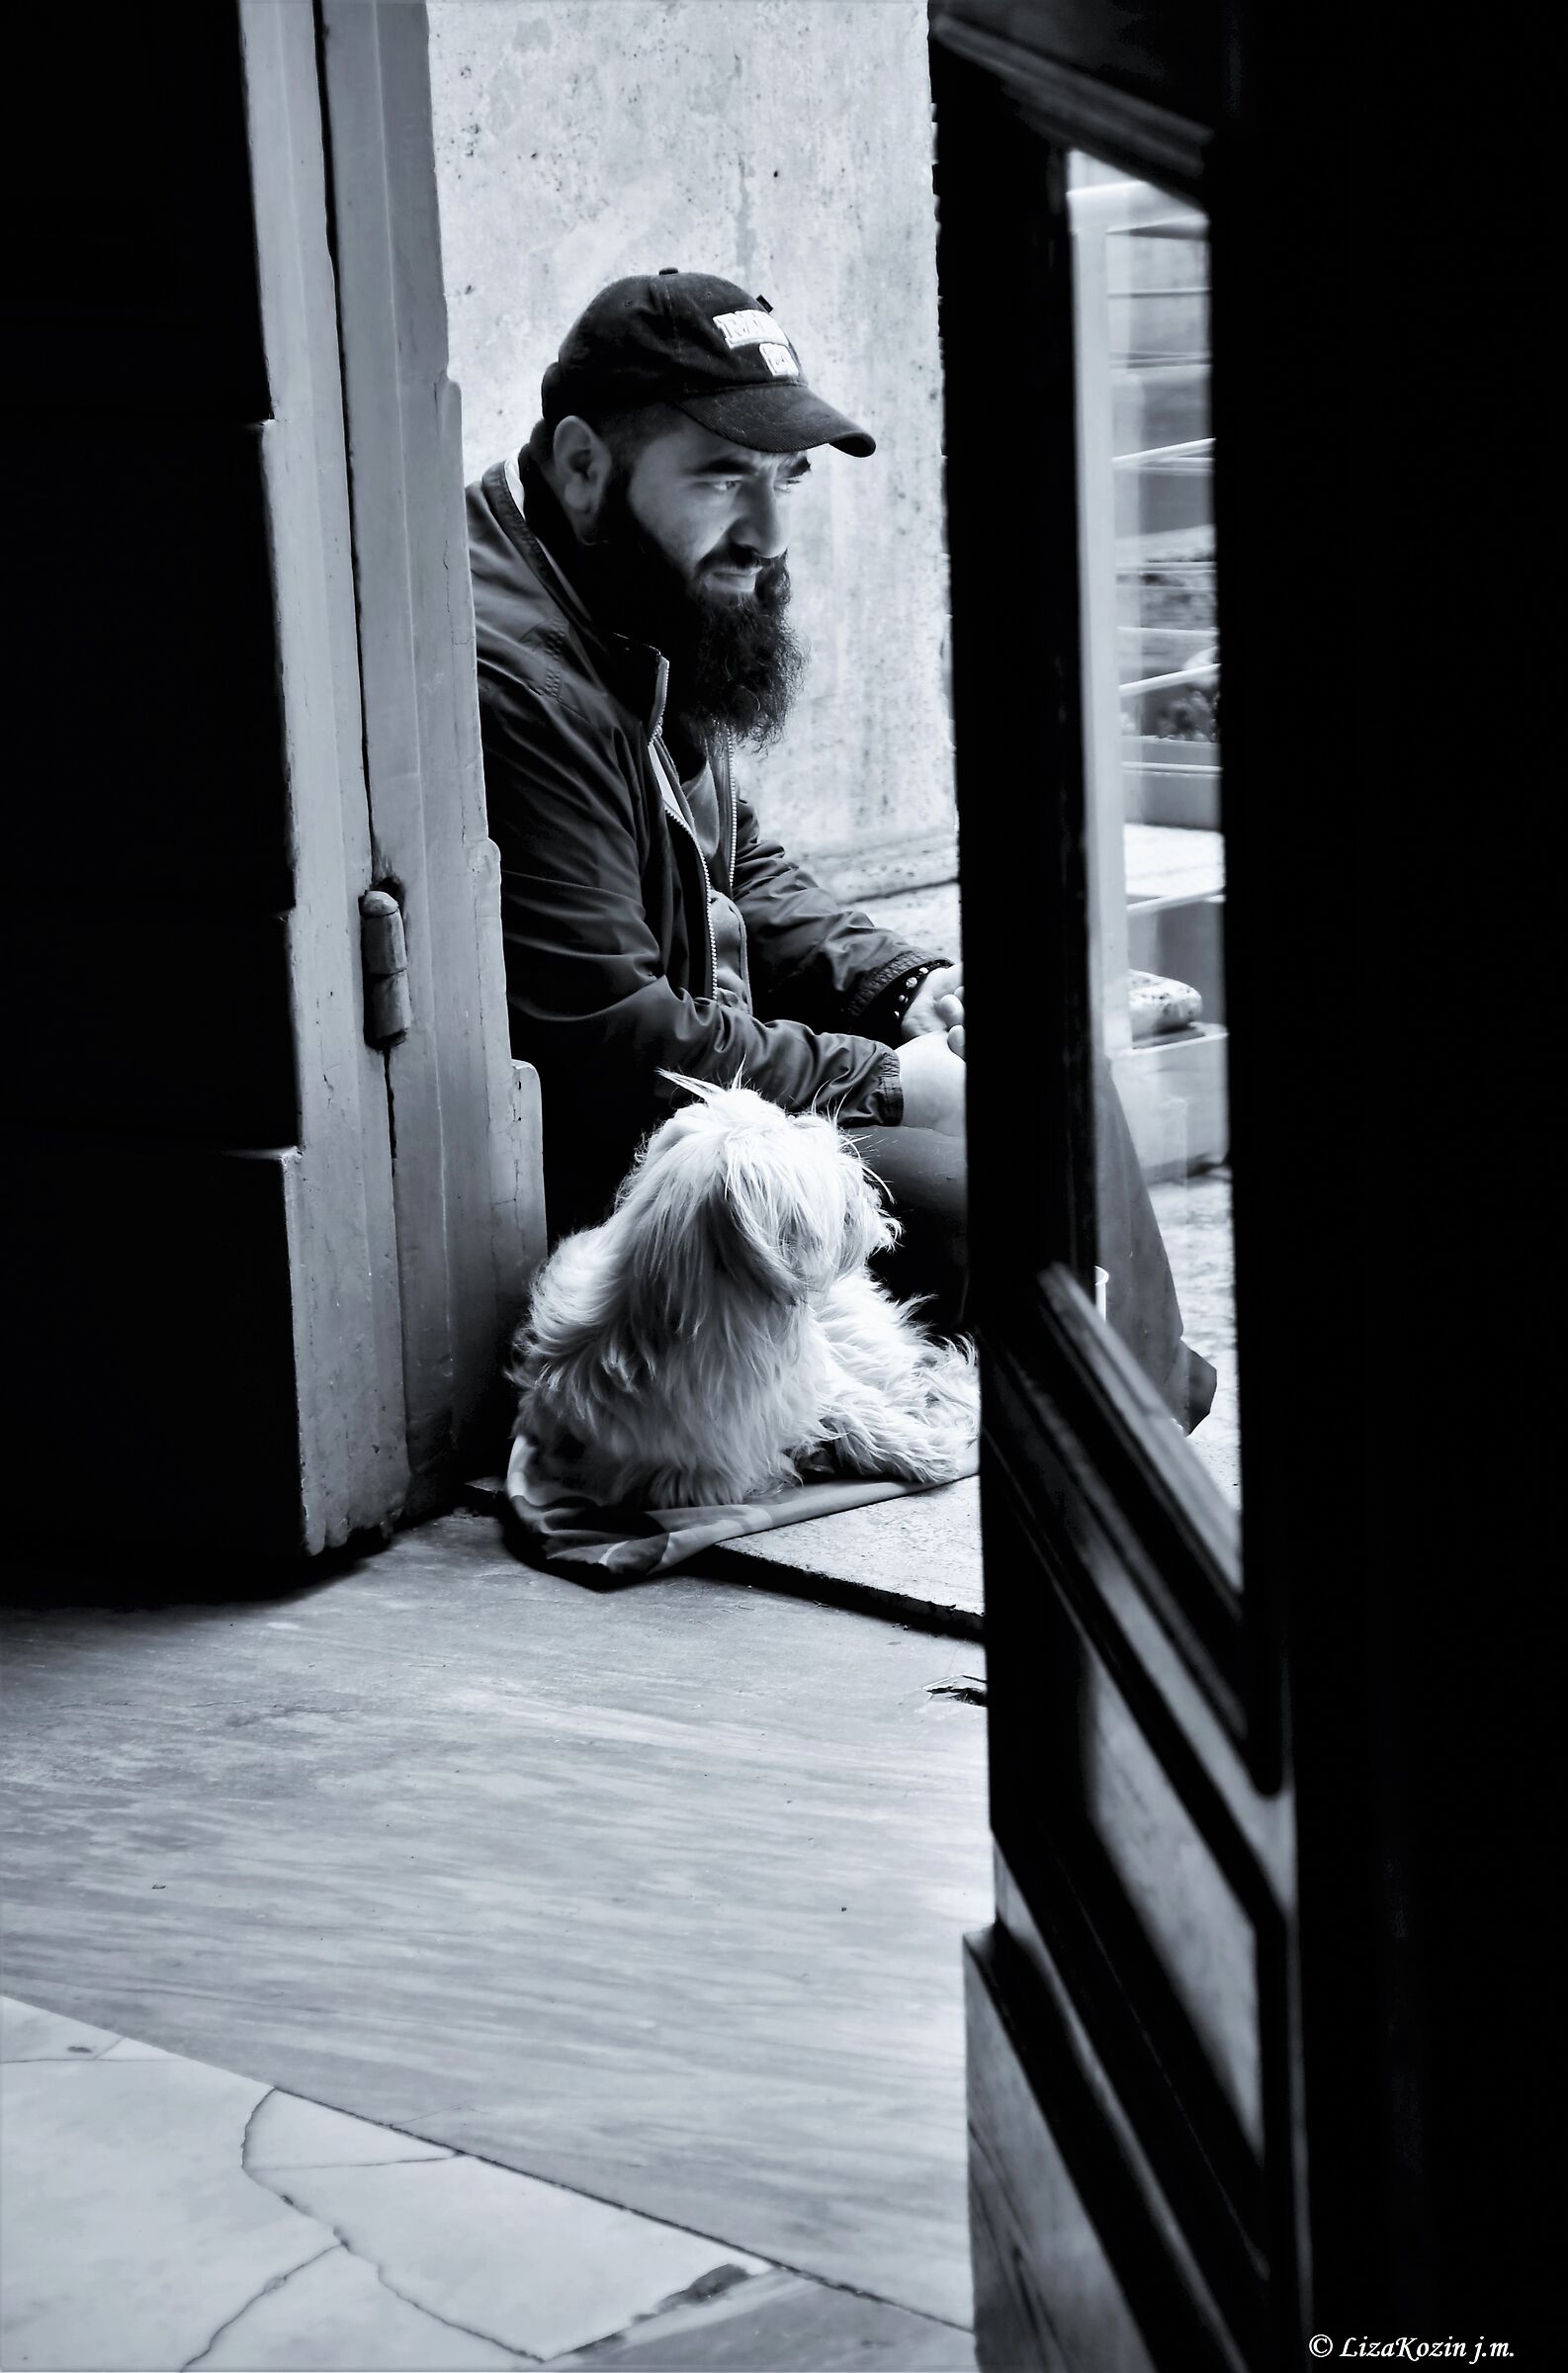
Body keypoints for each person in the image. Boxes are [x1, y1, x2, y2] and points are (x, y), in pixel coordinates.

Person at [468, 270, 1213, 1427]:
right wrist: (883, 1083)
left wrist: (906, 989)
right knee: (999, 1211)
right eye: (722, 477)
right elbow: (604, 1039)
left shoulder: (621, 583)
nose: (767, 536)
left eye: (784, 481)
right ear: (580, 463)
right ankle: (1124, 1441)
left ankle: (1146, 1402)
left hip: (707, 1103)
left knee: (1037, 1065)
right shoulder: (515, 678)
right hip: (610, 1168)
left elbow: (735, 864)